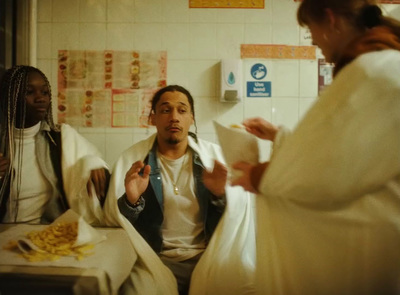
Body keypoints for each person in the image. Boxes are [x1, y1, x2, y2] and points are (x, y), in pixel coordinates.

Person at [231, 1, 400, 294]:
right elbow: (352, 150)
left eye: (311, 32)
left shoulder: (370, 70)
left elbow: (323, 169)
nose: (314, 43)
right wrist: (280, 137)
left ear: (331, 20)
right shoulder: (388, 60)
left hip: (375, 241)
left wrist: (257, 176)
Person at [104, 84, 256, 295]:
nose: (174, 117)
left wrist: (220, 195)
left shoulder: (213, 159)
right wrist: (132, 201)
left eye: (182, 110)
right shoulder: (133, 161)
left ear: (192, 118)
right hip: (153, 260)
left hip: (209, 257)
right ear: (153, 118)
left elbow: (237, 223)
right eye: (166, 110)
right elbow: (115, 224)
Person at [0, 65, 110, 225]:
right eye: (29, 92)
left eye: (44, 92)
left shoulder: (59, 137)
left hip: (52, 234)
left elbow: (94, 159)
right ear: (10, 97)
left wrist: (93, 163)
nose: (41, 98)